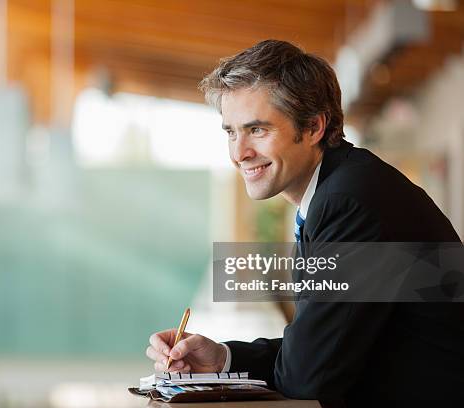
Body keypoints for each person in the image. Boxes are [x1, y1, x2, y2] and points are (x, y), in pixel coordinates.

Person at [145, 40, 464, 406]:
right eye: (231, 132)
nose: (238, 153)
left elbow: (309, 376)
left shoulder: (349, 203)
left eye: (258, 130)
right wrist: (223, 358)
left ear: (313, 127)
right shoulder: (339, 190)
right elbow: (320, 344)